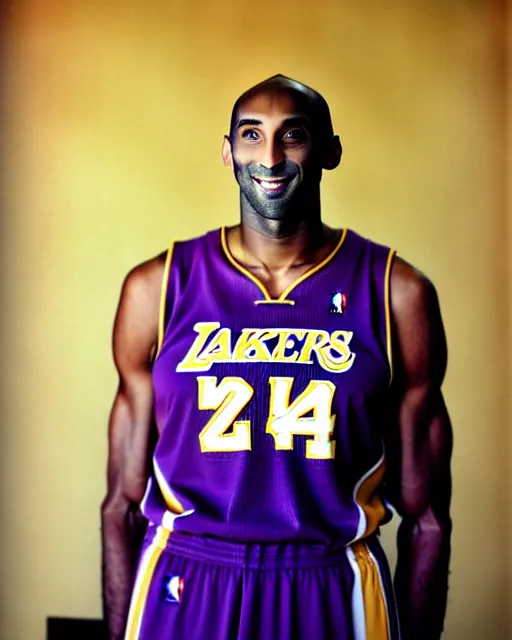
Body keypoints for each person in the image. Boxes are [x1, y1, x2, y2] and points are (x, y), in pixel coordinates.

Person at [101, 74, 452, 640]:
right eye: (250, 134)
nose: (269, 155)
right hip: (186, 580)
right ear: (227, 152)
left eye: (293, 135)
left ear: (330, 151)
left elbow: (428, 516)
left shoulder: (396, 292)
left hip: (331, 584)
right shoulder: (158, 288)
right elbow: (119, 504)